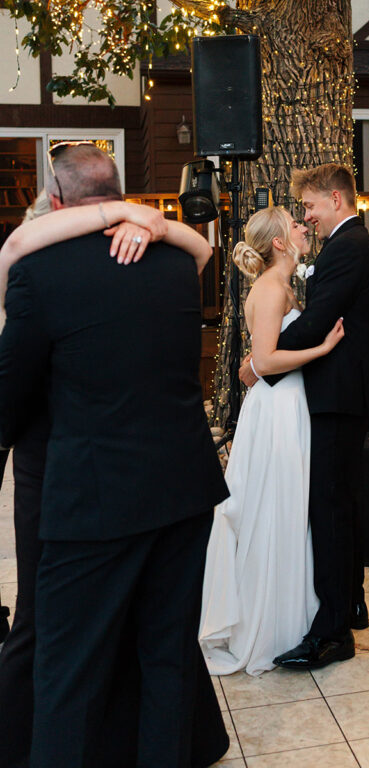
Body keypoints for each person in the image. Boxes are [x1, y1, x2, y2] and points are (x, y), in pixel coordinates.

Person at [0, 143, 228, 768]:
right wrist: (152, 220)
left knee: (68, 671)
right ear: (121, 192)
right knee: (168, 657)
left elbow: (9, 398)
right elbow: (204, 245)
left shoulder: (37, 273)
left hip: (94, 499)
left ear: (54, 201)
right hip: (183, 489)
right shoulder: (177, 262)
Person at [241, 164, 369, 670]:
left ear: (336, 199)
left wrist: (261, 365)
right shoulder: (349, 246)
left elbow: (321, 323)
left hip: (337, 394)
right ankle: (350, 603)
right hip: (337, 394)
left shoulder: (348, 247)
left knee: (329, 508)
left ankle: (332, 633)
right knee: (340, 503)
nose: (308, 217)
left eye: (310, 207)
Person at [200, 206, 344, 675]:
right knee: (275, 505)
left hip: (288, 403)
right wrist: (321, 349)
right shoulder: (269, 288)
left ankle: (291, 617)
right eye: (295, 225)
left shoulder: (282, 285)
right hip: (277, 409)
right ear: (280, 243)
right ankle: (269, 625)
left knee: (288, 506)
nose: (304, 228)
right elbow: (263, 360)